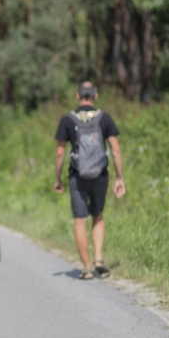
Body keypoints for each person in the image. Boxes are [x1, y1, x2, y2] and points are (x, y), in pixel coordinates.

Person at [54, 81, 125, 280]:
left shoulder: (68, 120)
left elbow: (60, 153)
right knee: (98, 215)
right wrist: (120, 177)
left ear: (77, 96)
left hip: (77, 176)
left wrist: (57, 178)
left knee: (79, 220)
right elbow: (116, 149)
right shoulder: (104, 118)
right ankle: (99, 259)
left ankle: (86, 268)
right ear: (96, 95)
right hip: (100, 175)